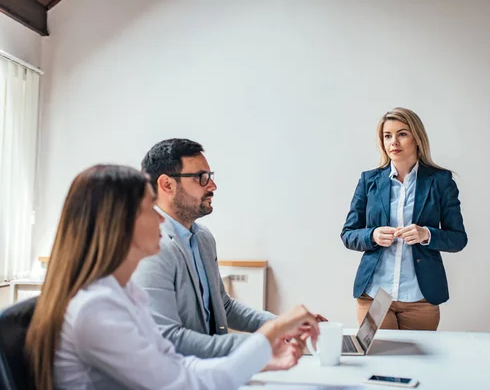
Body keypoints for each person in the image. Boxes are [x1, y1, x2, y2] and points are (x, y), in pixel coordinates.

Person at [25, 164, 319, 390]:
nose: (161, 218)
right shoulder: (95, 309)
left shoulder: (125, 293)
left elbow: (177, 365)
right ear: (117, 225)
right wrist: (271, 333)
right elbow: (182, 383)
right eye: (147, 209)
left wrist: (264, 359)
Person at [132, 139, 325, 364]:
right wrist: (268, 339)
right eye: (201, 177)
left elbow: (224, 306)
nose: (212, 186)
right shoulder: (152, 248)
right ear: (167, 185)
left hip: (215, 371)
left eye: (210, 176)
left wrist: (284, 325)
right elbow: (169, 340)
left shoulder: (202, 238)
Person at [341, 107, 467, 331]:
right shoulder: (369, 180)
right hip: (374, 294)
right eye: (387, 136)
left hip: (420, 298)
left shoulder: (440, 181)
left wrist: (426, 234)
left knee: (417, 366)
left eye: (402, 134)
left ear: (417, 138)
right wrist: (372, 235)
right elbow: (348, 234)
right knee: (379, 362)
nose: (393, 142)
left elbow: (458, 238)